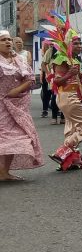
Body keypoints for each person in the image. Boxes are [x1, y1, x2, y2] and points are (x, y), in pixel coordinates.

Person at [44, 20, 82, 171]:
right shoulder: (61, 58)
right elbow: (56, 81)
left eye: (80, 43)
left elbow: (77, 78)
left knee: (71, 128)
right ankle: (63, 150)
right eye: (75, 43)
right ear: (68, 43)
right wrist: (69, 74)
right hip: (68, 96)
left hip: (73, 95)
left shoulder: (74, 58)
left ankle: (70, 160)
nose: (79, 46)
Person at [0, 29, 43, 179]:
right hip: (1, 105)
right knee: (3, 138)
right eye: (3, 40)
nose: (7, 42)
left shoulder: (19, 59)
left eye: (9, 39)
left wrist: (17, 90)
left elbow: (30, 79)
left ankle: (4, 173)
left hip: (18, 105)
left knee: (20, 136)